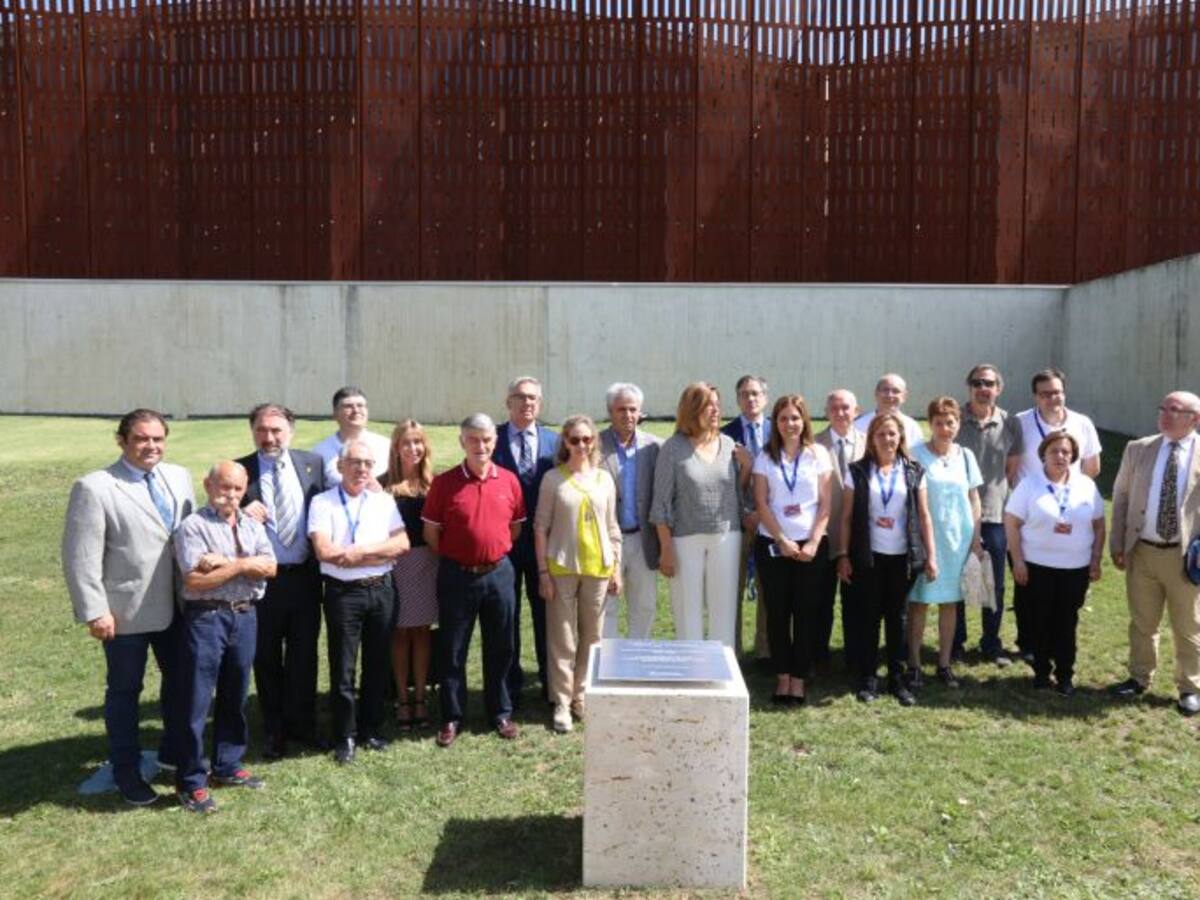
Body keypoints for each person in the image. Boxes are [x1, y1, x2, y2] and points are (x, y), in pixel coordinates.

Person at [61, 409, 195, 806]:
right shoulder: (96, 487)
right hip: (124, 614)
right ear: (122, 441)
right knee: (125, 692)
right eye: (141, 439)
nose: (151, 446)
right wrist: (93, 610)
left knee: (182, 684)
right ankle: (126, 770)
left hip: (180, 606)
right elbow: (79, 557)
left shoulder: (179, 476)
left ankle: (174, 754)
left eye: (157, 439)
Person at [173, 461, 276, 814]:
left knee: (236, 693)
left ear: (244, 490)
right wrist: (245, 565)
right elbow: (194, 580)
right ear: (208, 484)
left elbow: (271, 566)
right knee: (196, 701)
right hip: (207, 617)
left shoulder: (252, 524)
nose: (230, 494)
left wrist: (224, 564)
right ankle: (191, 780)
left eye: (236, 488)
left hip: (245, 615)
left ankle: (227, 764)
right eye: (223, 486)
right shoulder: (193, 527)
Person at [423, 414, 527, 748]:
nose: (480, 446)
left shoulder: (509, 480)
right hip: (457, 575)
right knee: (453, 649)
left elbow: (515, 527)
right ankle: (452, 716)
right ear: (461, 442)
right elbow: (431, 534)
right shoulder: (445, 482)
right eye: (473, 439)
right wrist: (461, 556)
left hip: (499, 574)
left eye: (486, 439)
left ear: (494, 442)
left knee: (502, 645)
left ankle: (500, 712)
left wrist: (489, 553)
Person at [308, 440, 411, 764]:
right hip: (344, 595)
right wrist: (379, 550)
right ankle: (346, 735)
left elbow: (403, 543)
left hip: (382, 589)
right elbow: (324, 551)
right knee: (344, 667)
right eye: (355, 462)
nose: (362, 469)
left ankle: (371, 729)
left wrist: (357, 553)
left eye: (367, 463)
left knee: (378, 664)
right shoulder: (323, 503)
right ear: (340, 466)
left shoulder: (383, 501)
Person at [236, 403, 327, 759]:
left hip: (305, 577)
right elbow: (218, 513)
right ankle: (274, 728)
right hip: (262, 581)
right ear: (253, 431)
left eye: (276, 430)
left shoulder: (313, 464)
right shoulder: (240, 469)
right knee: (267, 656)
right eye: (262, 429)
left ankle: (303, 723)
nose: (269, 437)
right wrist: (239, 511)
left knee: (305, 654)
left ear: (291, 431)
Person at [1107, 392, 1200, 716]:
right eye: (1162, 408)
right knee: (1143, 622)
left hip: (1186, 557)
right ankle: (1138, 677)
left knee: (1189, 626)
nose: (1166, 415)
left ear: (1195, 418)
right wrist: (1117, 543)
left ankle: (1190, 687)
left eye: (1175, 410)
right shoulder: (1139, 449)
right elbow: (1120, 496)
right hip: (1142, 551)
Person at [837, 413, 936, 706]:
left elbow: (924, 516)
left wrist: (931, 556)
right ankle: (868, 678)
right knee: (868, 618)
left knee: (898, 619)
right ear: (872, 439)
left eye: (892, 434)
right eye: (881, 434)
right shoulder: (856, 471)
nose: (887, 439)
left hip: (902, 559)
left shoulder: (914, 470)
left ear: (900, 437)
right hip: (868, 557)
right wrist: (843, 554)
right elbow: (845, 518)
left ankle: (897, 678)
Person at [534, 415, 622, 732]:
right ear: (565, 443)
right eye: (575, 440)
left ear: (594, 441)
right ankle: (561, 702)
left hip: (598, 568)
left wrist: (616, 568)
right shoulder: (552, 480)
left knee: (593, 636)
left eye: (587, 439)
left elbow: (613, 527)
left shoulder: (604, 479)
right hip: (561, 567)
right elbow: (540, 527)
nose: (581, 445)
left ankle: (581, 695)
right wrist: (543, 571)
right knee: (563, 638)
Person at [1008, 368, 1102, 663]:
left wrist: (1071, 492)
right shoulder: (1020, 422)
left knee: (1062, 594)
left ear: (1065, 392)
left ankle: (1055, 645)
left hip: (1069, 512)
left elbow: (1092, 466)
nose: (1052, 398)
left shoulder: (1081, 423)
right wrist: (1030, 496)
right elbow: (1010, 467)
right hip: (1030, 512)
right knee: (1026, 587)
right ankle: (1029, 643)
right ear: (1035, 396)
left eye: (1057, 392)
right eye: (1045, 393)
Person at [651, 382, 751, 647]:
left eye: (718, 405)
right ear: (692, 409)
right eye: (709, 405)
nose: (716, 411)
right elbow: (661, 503)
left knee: (725, 609)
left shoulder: (729, 444)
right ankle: (691, 672)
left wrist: (747, 470)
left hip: (726, 536)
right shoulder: (673, 448)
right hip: (685, 538)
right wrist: (666, 548)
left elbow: (734, 494)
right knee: (688, 609)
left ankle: (721, 678)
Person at [1004, 431, 1105, 696]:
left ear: (1073, 456)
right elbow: (1012, 523)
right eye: (1054, 451)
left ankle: (1065, 676)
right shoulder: (1029, 485)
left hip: (1075, 568)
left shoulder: (1086, 485)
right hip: (1037, 566)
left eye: (1066, 452)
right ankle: (1040, 673)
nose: (1060, 456)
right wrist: (1018, 561)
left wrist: (1095, 558)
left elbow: (1099, 524)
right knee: (1039, 621)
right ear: (1043, 455)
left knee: (1066, 623)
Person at [752, 394, 833, 704]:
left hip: (811, 547)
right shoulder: (765, 456)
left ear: (804, 421)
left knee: (805, 613)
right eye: (783, 418)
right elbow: (761, 502)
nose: (790, 424)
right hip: (773, 545)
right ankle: (782, 676)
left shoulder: (818, 455)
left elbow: (826, 504)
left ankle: (799, 678)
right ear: (776, 422)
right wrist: (781, 540)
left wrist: (812, 541)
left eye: (795, 418)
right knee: (777, 613)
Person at [905, 397, 983, 690]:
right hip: (926, 539)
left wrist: (976, 539)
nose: (945, 428)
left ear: (958, 424)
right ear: (930, 424)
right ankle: (913, 664)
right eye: (939, 422)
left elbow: (974, 499)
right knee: (919, 602)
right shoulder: (915, 455)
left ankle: (944, 663)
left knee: (951, 602)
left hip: (958, 540)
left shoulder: (966, 456)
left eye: (950, 422)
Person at [491, 376, 560, 705]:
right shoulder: (493, 439)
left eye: (533, 398)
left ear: (540, 404)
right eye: (520, 397)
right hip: (504, 544)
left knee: (547, 616)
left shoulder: (554, 442)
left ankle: (551, 684)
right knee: (507, 617)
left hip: (545, 544)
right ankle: (510, 687)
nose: (527, 403)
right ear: (508, 402)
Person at [955, 364, 1022, 667]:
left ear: (999, 388)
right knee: (954, 580)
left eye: (990, 383)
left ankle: (991, 643)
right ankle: (955, 640)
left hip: (995, 514)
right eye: (977, 382)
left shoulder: (1010, 423)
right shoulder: (954, 418)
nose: (983, 388)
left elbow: (1011, 469)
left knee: (993, 582)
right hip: (957, 516)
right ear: (969, 386)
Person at [381, 420, 438, 730]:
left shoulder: (435, 484)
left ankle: (421, 697)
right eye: (406, 442)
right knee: (400, 632)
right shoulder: (382, 485)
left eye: (418, 442)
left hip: (428, 564)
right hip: (398, 564)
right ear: (396, 447)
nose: (413, 448)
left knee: (422, 632)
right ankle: (402, 697)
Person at [598, 382, 662, 639]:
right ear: (610, 411)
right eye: (621, 409)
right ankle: (608, 664)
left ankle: (638, 660)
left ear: (640, 411)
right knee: (606, 606)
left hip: (643, 538)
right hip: (606, 539)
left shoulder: (655, 446)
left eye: (633, 409)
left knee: (645, 606)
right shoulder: (594, 445)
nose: (628, 415)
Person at [814, 388, 866, 674]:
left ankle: (854, 656)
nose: (840, 412)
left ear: (856, 411)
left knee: (854, 602)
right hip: (823, 535)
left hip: (857, 539)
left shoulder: (870, 443)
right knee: (820, 602)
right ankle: (818, 655)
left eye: (846, 407)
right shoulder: (814, 443)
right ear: (827, 412)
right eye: (834, 408)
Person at [721, 375, 771, 662]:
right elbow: (722, 485)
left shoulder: (780, 431)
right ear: (737, 399)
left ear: (764, 397)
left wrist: (764, 516)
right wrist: (744, 513)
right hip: (735, 523)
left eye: (755, 393)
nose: (750, 399)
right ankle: (733, 650)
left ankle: (765, 649)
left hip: (771, 524)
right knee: (733, 588)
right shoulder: (725, 435)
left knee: (769, 588)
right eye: (744, 394)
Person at [311, 386, 392, 486]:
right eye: (348, 406)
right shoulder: (320, 452)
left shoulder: (386, 446)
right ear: (335, 413)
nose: (356, 410)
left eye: (360, 405)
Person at [854, 373, 924, 450]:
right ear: (876, 393)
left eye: (896, 391)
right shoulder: (859, 425)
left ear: (904, 396)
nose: (890, 395)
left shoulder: (912, 427)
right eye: (885, 390)